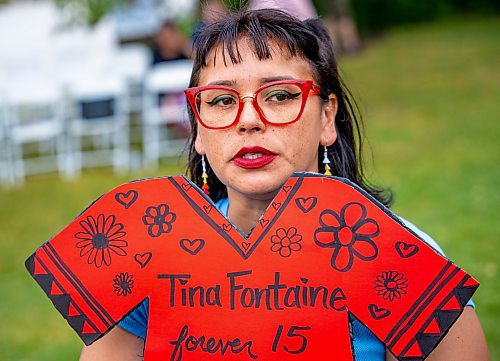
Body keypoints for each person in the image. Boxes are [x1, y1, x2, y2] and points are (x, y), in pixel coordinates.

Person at [80, 8, 489, 361]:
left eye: (279, 95)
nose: (248, 119)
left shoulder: (394, 258)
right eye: (221, 100)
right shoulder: (151, 258)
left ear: (327, 117)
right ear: (198, 128)